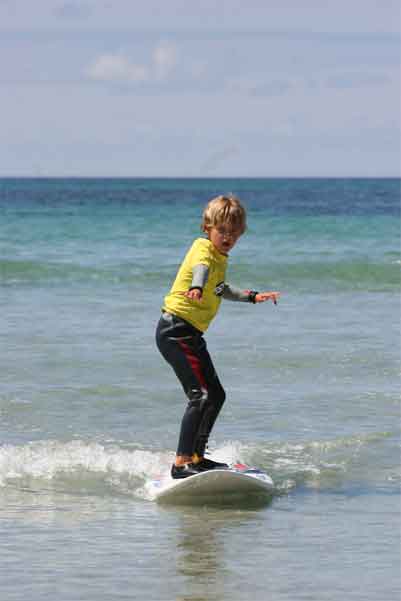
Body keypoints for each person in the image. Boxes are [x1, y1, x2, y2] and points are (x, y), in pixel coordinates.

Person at [156, 194, 280, 479]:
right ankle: (181, 463)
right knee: (200, 395)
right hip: (175, 329)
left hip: (190, 333)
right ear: (207, 228)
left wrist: (252, 296)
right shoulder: (202, 249)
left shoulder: (220, 258)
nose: (228, 237)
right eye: (222, 231)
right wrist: (196, 287)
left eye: (234, 233)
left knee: (217, 395)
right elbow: (202, 271)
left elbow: (221, 289)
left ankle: (197, 457)